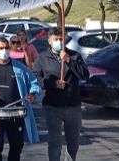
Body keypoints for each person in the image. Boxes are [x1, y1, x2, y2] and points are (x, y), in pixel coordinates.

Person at [0, 37, 41, 161]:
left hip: (16, 114)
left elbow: (34, 83)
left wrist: (33, 95)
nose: (4, 51)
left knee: (16, 148)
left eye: (6, 48)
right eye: (1, 48)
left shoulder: (20, 67)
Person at [33, 27, 89, 161]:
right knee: (55, 141)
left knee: (73, 142)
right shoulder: (42, 58)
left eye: (61, 39)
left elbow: (84, 75)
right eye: (56, 39)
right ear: (49, 41)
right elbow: (36, 78)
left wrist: (69, 60)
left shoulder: (74, 55)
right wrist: (52, 84)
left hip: (72, 105)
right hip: (52, 106)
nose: (59, 41)